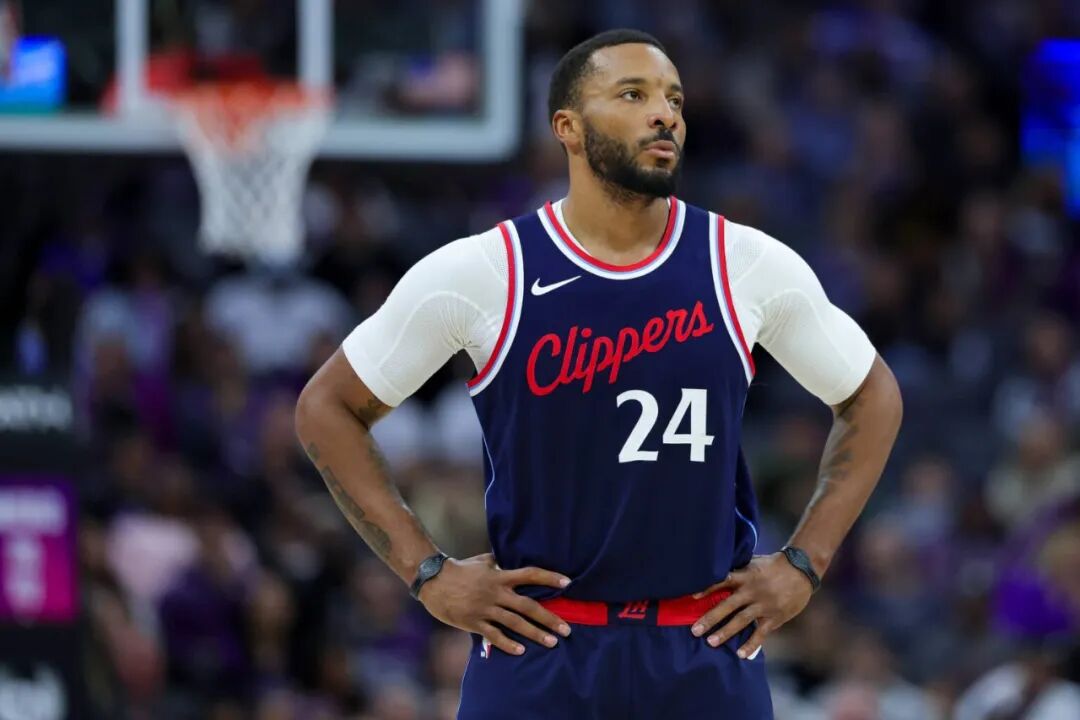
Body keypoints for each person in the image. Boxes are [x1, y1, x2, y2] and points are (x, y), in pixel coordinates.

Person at [295, 28, 903, 719]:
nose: (664, 114)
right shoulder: (485, 271)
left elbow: (872, 394)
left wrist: (805, 563)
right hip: (539, 644)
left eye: (674, 99)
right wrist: (428, 574)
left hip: (703, 642)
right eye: (633, 94)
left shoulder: (745, 264)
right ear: (569, 128)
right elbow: (326, 408)